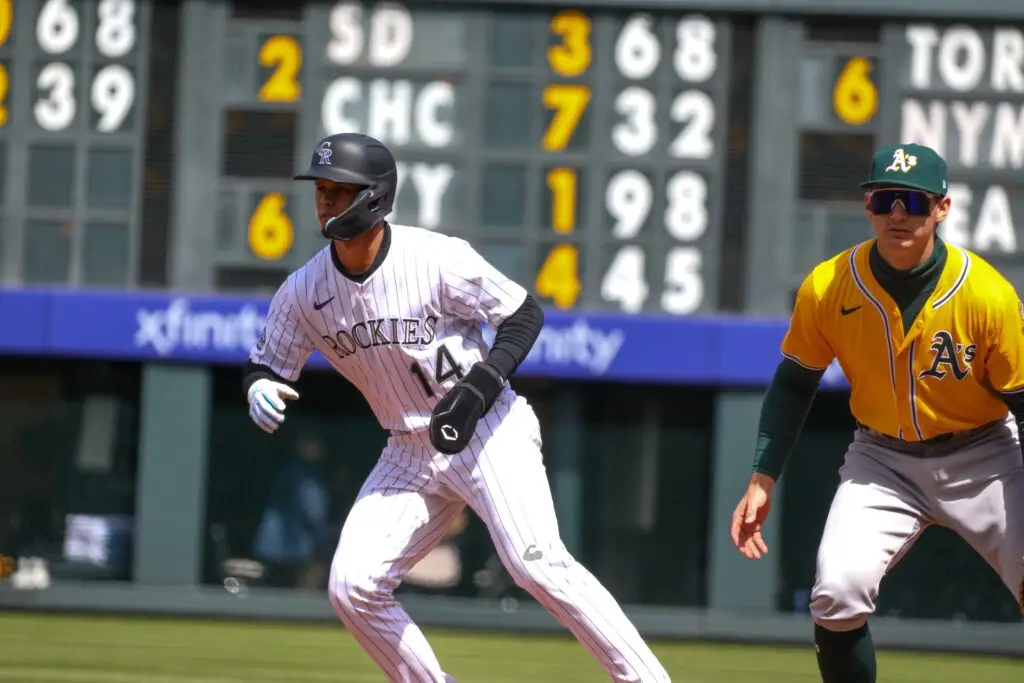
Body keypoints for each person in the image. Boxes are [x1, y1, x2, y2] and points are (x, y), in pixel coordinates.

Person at [244, 132, 670, 683]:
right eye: (320, 189)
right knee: (351, 586)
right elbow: (266, 363)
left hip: (488, 429)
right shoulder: (304, 291)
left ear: (373, 196)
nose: (324, 200)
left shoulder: (435, 258)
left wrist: (481, 386)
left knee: (535, 563)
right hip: (406, 449)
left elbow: (523, 314)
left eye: (338, 189)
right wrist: (259, 385)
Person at [730, 143, 1024, 683]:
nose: (897, 214)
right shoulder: (829, 285)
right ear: (867, 205)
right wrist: (761, 477)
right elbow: (794, 382)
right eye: (884, 198)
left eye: (912, 201)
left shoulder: (987, 296)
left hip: (986, 454)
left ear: (941, 208)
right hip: (883, 461)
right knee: (836, 594)